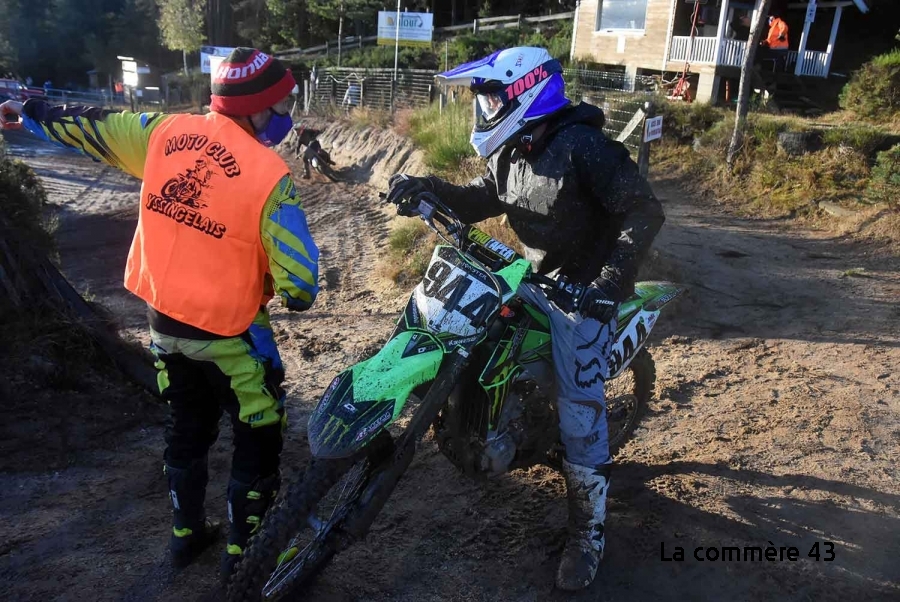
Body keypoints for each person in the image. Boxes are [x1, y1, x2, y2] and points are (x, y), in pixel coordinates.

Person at [1, 47, 320, 582]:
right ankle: (249, 551)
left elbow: (90, 125)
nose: (287, 113)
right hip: (230, 332)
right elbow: (302, 283)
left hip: (162, 323)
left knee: (185, 425)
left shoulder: (160, 133)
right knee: (259, 427)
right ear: (257, 107)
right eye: (282, 102)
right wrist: (288, 293)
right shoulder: (270, 175)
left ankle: (185, 536)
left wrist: (27, 110)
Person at [385, 47, 664, 592]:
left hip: (583, 294)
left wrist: (609, 282)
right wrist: (429, 189)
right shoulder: (514, 147)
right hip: (528, 278)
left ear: (528, 90)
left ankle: (588, 532)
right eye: (483, 98)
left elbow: (643, 210)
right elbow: (481, 199)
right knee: (468, 337)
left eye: (493, 96)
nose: (485, 107)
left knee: (582, 412)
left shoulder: (584, 145)